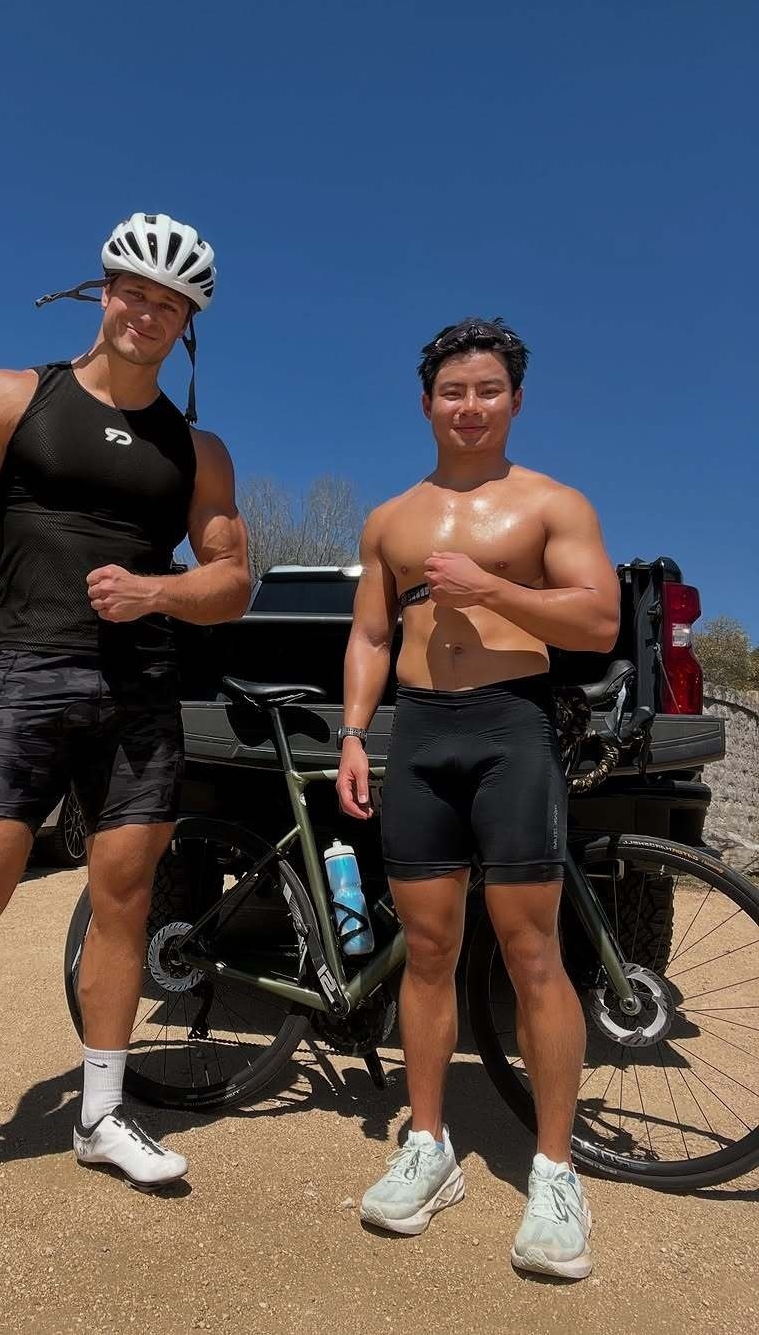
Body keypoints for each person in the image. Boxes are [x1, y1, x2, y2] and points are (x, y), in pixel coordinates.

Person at [0, 212, 251, 1236]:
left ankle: (101, 1114)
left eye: (169, 306)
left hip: (141, 695)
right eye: (134, 293)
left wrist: (159, 592)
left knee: (124, 901)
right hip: (29, 673)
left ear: (187, 325)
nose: (146, 314)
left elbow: (232, 580)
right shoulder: (12, 396)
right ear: (102, 291)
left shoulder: (197, 449)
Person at [336, 317, 619, 1280]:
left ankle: (555, 1172)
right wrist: (354, 734)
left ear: (516, 400)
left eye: (488, 390)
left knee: (531, 951)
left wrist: (489, 590)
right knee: (426, 951)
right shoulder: (389, 519)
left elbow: (596, 619)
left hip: (512, 728)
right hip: (419, 733)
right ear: (426, 403)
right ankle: (429, 1146)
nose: (470, 406)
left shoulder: (551, 503)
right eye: (453, 391)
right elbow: (371, 636)